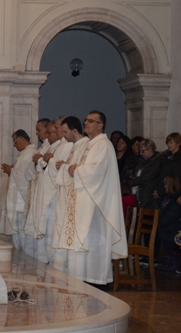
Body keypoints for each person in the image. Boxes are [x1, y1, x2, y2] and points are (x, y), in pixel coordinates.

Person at [55, 111, 127, 285]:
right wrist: (70, 168)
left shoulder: (104, 145)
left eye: (91, 121)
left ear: (100, 125)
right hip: (84, 201)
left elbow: (95, 171)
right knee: (82, 241)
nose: (86, 123)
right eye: (86, 120)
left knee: (93, 242)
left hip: (96, 204)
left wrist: (74, 169)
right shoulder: (90, 144)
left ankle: (94, 281)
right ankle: (80, 278)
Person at [52, 116, 89, 273]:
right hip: (67, 198)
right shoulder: (74, 146)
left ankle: (73, 274)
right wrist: (65, 166)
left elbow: (79, 171)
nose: (63, 135)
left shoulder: (85, 146)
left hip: (77, 201)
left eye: (65, 132)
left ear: (75, 131)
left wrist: (65, 167)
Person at [24, 120, 61, 263]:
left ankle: (45, 263)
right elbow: (34, 170)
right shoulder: (46, 147)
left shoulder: (62, 146)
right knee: (40, 228)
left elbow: (53, 169)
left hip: (51, 195)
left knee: (47, 230)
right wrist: (38, 162)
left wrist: (40, 161)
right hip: (40, 191)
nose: (43, 135)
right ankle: (37, 262)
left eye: (47, 132)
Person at [0, 129, 36, 253]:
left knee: (21, 230)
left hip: (21, 201)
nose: (14, 145)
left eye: (15, 141)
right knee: (16, 231)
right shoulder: (25, 153)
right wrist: (12, 170)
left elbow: (23, 176)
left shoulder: (30, 153)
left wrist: (11, 170)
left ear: (21, 139)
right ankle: (19, 254)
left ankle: (24, 255)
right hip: (17, 200)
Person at [127, 139, 163, 210]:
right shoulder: (142, 161)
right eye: (140, 151)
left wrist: (128, 183)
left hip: (150, 195)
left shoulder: (157, 161)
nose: (140, 153)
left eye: (142, 151)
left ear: (150, 149)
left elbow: (145, 177)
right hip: (140, 193)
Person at [156, 175, 181, 272]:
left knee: (171, 247)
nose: (164, 186)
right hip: (166, 227)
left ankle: (173, 263)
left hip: (173, 227)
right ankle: (168, 261)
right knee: (167, 246)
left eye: (166, 184)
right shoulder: (167, 197)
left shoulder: (176, 199)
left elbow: (172, 214)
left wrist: (160, 222)